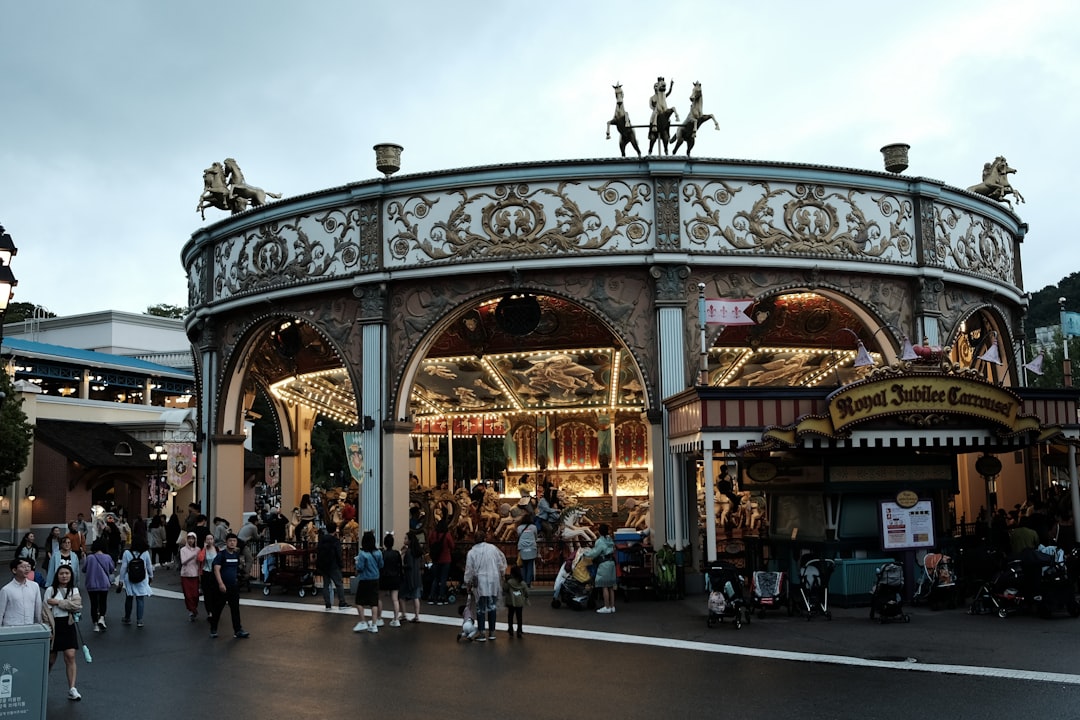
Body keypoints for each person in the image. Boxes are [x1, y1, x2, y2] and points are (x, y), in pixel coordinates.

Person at [44, 565, 83, 701]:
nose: (64, 576)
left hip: (68, 624)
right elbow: (46, 610)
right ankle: (41, 684)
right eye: (61, 573)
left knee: (70, 655)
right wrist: (47, 628)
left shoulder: (74, 590)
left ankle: (72, 688)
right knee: (50, 659)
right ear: (57, 575)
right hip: (54, 626)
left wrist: (58, 602)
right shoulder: (50, 590)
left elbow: (77, 606)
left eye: (67, 573)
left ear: (71, 575)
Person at [463, 529, 507, 642]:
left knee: (480, 608)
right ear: (484, 538)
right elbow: (501, 561)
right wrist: (502, 573)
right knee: (492, 606)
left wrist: (467, 582)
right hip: (493, 580)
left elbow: (469, 569)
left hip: (480, 582)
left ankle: (482, 633)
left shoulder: (471, 552)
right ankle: (492, 632)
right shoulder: (492, 548)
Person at [211, 533, 250, 639]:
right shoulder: (221, 555)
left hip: (234, 587)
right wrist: (220, 584)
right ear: (226, 542)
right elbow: (216, 569)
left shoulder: (236, 555)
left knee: (235, 609)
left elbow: (236, 569)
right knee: (218, 609)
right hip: (223, 587)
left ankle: (238, 630)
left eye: (234, 541)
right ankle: (213, 629)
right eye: (230, 541)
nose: (232, 543)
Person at [81, 538, 115, 632]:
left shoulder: (90, 557)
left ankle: (95, 624)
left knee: (93, 604)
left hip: (91, 584)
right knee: (103, 601)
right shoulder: (107, 557)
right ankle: (102, 618)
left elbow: (84, 569)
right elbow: (111, 569)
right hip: (104, 583)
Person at [118, 537, 153, 628]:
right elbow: (149, 565)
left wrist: (121, 580)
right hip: (142, 578)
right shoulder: (145, 553)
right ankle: (139, 620)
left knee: (129, 597)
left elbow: (124, 567)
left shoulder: (127, 553)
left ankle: (127, 617)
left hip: (130, 578)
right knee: (140, 599)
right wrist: (151, 576)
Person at [353, 530, 384, 633]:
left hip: (365, 580)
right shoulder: (378, 553)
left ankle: (363, 622)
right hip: (375, 579)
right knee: (373, 602)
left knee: (359, 601)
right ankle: (374, 625)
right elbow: (381, 565)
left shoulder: (362, 554)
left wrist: (357, 563)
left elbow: (360, 567)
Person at [316, 523, 349, 610]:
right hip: (333, 565)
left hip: (323, 565)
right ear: (335, 530)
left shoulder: (322, 540)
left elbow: (318, 551)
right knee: (339, 584)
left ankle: (328, 604)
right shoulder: (335, 541)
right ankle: (342, 602)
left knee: (326, 585)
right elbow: (338, 554)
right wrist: (341, 564)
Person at [0, 558, 42, 627]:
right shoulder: (6, 590)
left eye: (28, 566)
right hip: (11, 627)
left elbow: (38, 608)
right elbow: (0, 612)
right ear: (14, 570)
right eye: (23, 567)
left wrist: (40, 626)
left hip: (29, 626)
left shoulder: (35, 586)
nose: (27, 569)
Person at [585, 523, 617, 614]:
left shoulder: (600, 541)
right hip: (611, 563)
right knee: (611, 586)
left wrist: (585, 554)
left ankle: (606, 607)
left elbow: (595, 553)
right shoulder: (610, 539)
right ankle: (612, 606)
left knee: (604, 586)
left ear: (599, 531)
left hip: (604, 564)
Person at [426, 518, 455, 605]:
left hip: (436, 559)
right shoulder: (447, 535)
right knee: (443, 579)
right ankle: (441, 597)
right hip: (446, 559)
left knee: (435, 578)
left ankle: (431, 596)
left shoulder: (433, 534)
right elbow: (452, 546)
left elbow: (429, 543)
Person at [379, 533, 403, 627]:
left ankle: (379, 618)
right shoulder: (397, 553)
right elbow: (400, 566)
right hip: (395, 577)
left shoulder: (382, 554)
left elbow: (380, 566)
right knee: (395, 599)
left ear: (385, 543)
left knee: (379, 598)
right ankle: (396, 619)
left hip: (384, 578)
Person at [178, 532, 202, 620]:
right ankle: (192, 610)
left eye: (192, 538)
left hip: (195, 574)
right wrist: (193, 556)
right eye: (189, 538)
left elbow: (200, 561)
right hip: (185, 574)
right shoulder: (183, 550)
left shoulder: (198, 549)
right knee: (188, 595)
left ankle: (194, 608)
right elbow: (183, 561)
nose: (191, 540)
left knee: (195, 594)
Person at [400, 530, 423, 623]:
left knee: (401, 596)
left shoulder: (408, 552)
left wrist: (402, 559)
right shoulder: (417, 552)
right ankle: (417, 615)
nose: (404, 540)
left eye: (405, 538)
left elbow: (408, 565)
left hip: (408, 577)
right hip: (417, 577)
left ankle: (403, 614)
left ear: (409, 540)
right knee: (415, 597)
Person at [198, 533, 219, 629]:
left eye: (211, 539)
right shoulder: (204, 550)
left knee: (215, 593)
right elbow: (200, 559)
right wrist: (204, 549)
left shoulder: (217, 549)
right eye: (208, 539)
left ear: (213, 540)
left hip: (215, 574)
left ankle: (214, 611)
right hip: (206, 573)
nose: (210, 541)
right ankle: (209, 612)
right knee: (207, 594)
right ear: (205, 541)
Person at [503, 564, 529, 638]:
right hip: (520, 602)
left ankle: (510, 629)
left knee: (510, 615)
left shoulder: (509, 582)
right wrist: (525, 597)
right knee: (519, 616)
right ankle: (519, 630)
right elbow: (527, 592)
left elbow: (505, 589)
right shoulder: (522, 583)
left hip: (511, 601)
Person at [237, 514, 261, 584]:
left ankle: (241, 572)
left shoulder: (245, 525)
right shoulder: (253, 527)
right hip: (243, 544)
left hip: (238, 543)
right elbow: (257, 537)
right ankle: (246, 574)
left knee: (239, 559)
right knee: (250, 559)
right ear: (255, 521)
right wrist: (262, 534)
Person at [516, 512, 538, 587]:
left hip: (522, 547)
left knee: (524, 565)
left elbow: (519, 535)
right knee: (530, 565)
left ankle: (523, 582)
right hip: (531, 547)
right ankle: (528, 582)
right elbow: (535, 536)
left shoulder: (519, 528)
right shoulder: (533, 527)